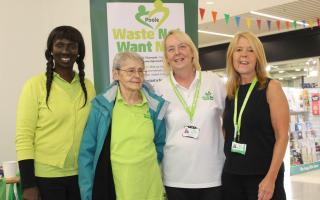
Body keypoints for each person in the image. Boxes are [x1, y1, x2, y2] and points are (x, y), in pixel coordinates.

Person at [15, 26, 96, 200]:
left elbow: (93, 131)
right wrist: (28, 184)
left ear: (79, 52)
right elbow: (24, 137)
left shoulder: (88, 87)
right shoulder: (34, 85)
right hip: (45, 178)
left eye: (72, 46)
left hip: (81, 176)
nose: (65, 51)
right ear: (51, 50)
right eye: (59, 45)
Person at [78, 52, 168, 200]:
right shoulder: (101, 107)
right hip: (116, 189)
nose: (137, 75)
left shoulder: (154, 106)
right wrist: (87, 193)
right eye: (131, 70)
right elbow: (87, 154)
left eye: (140, 70)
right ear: (115, 74)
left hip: (150, 189)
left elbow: (159, 144)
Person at [154, 29, 226, 200]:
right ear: (166, 57)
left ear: (192, 52)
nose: (177, 53)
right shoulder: (159, 90)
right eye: (171, 49)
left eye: (182, 46)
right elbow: (155, 132)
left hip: (213, 175)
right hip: (175, 178)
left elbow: (232, 121)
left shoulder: (213, 82)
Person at [222, 31, 289, 200]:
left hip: (262, 178)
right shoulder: (230, 91)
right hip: (232, 176)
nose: (244, 54)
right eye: (238, 50)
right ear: (231, 56)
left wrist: (271, 178)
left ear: (258, 57)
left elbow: (282, 136)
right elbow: (227, 131)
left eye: (250, 50)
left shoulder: (271, 87)